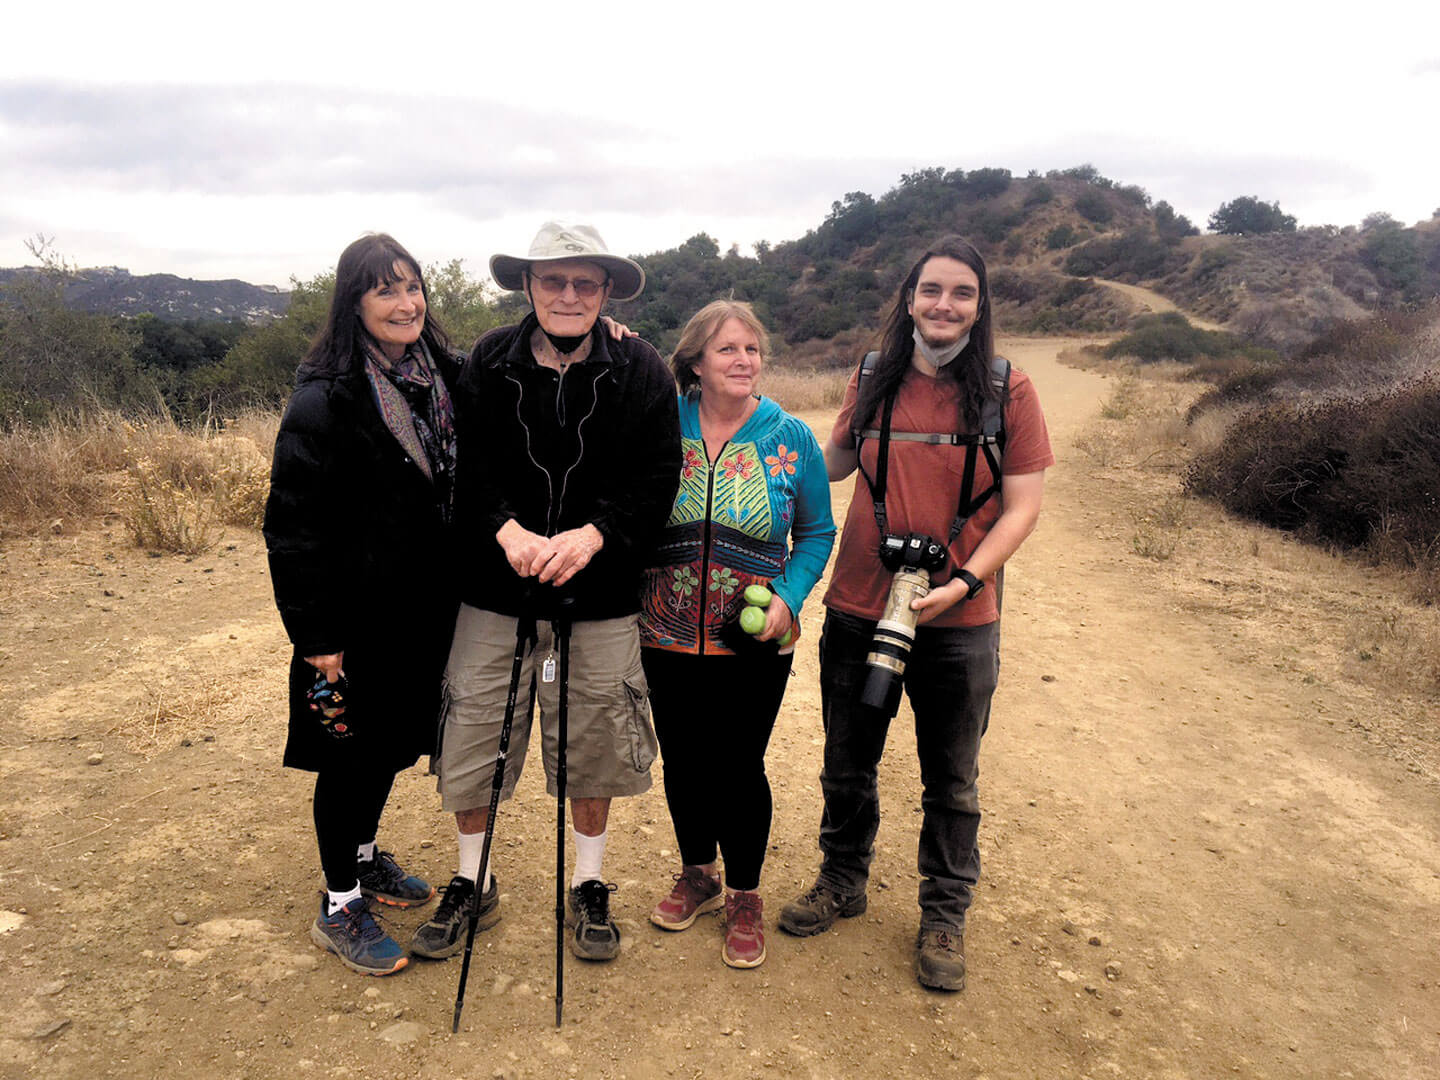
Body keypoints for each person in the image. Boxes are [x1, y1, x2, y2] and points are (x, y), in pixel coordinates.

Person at [778, 236, 1054, 992]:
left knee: (953, 778)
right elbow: (827, 462)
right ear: (909, 299)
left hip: (960, 619)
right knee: (847, 760)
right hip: (860, 603)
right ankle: (842, 879)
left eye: (962, 293)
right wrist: (723, 401)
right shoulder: (872, 375)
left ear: (979, 304)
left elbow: (1023, 506)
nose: (945, 305)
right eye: (931, 290)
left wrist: (964, 582)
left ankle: (944, 912)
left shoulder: (1009, 391)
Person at [411, 222, 681, 963]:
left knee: (594, 742)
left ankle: (588, 885)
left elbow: (659, 477)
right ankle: (474, 879)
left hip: (600, 597)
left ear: (606, 293)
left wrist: (594, 535)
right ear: (528, 285)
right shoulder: (488, 361)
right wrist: (506, 531)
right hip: (493, 592)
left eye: (585, 283)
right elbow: (464, 463)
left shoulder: (642, 368)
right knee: (472, 739)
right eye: (554, 280)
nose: (569, 295)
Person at [263, 233, 460, 976]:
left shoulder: (443, 376)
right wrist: (316, 635)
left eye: (412, 287)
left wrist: (607, 331)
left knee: (389, 747)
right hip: (349, 623)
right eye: (386, 290)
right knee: (347, 757)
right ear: (354, 302)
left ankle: (367, 855)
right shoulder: (326, 397)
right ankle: (339, 901)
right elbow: (292, 524)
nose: (405, 303)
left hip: (421, 616)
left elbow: (518, 368)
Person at [638, 301, 835, 969]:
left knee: (738, 765)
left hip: (753, 640)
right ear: (695, 361)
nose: (744, 361)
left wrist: (788, 595)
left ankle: (744, 895)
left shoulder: (791, 438)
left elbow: (815, 533)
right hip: (662, 632)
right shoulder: (661, 426)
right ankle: (699, 873)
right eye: (727, 350)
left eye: (752, 349)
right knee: (684, 761)